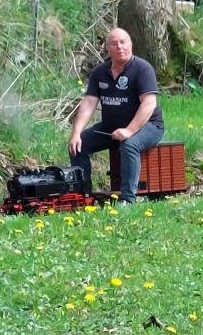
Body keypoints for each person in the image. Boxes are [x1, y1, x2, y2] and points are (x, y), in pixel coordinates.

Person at [68, 28, 165, 204]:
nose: (120, 47)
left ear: (131, 45)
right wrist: (76, 133)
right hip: (110, 126)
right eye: (114, 43)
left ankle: (127, 199)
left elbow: (149, 104)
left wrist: (129, 130)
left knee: (129, 145)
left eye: (123, 42)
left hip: (148, 126)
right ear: (108, 49)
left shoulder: (143, 69)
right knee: (79, 144)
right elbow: (89, 104)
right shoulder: (100, 72)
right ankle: (83, 196)